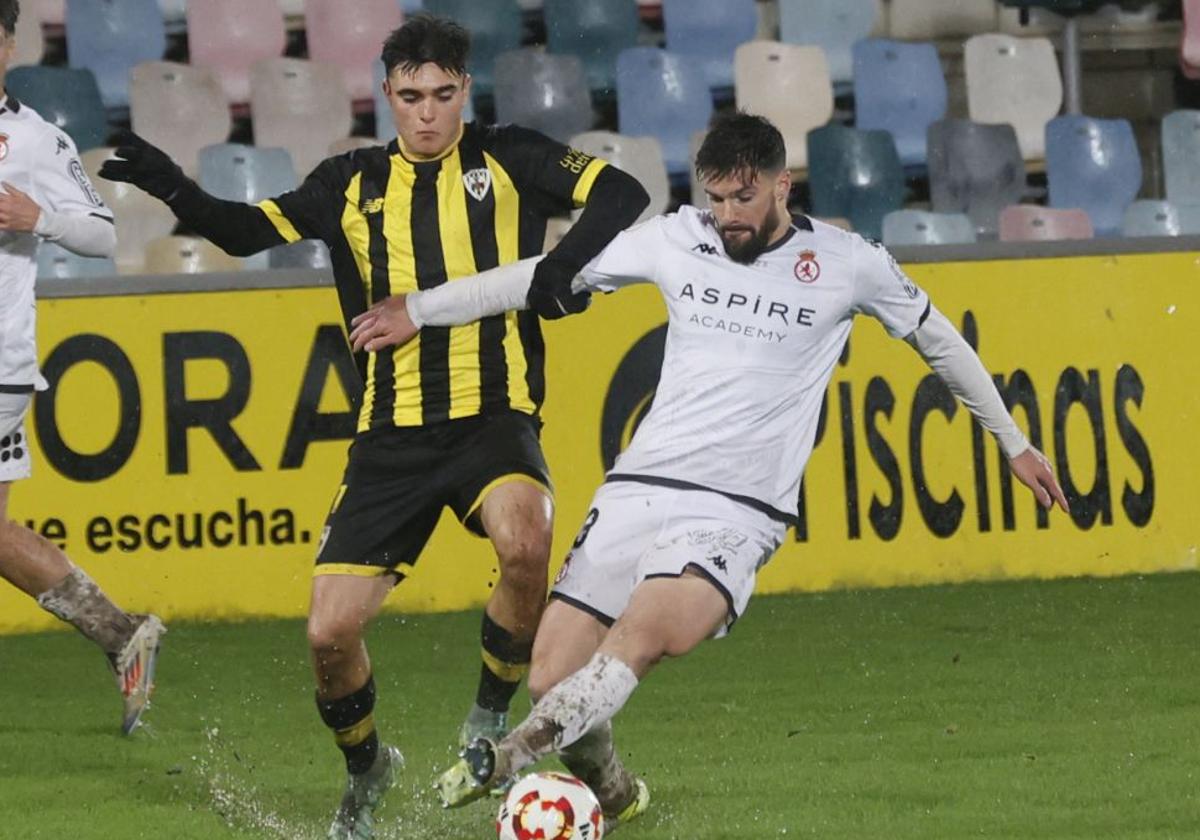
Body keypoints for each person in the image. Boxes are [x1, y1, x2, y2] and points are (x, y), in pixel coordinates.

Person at [346, 112, 1071, 828]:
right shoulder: (676, 239)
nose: (727, 217)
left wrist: (1012, 442)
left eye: (743, 199)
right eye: (715, 199)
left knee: (648, 634)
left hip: (737, 507)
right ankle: (618, 791)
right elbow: (542, 275)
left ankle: (509, 754)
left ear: (782, 186)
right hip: (639, 488)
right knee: (551, 676)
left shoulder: (851, 263)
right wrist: (420, 307)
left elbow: (939, 341)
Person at [100, 13, 648, 838]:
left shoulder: (510, 156)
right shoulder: (349, 182)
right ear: (385, 95)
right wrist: (172, 184)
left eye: (442, 95)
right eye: (409, 96)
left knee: (527, 542)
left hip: (494, 418)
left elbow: (622, 193)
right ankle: (367, 768)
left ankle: (487, 716)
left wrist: (558, 271)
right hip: (390, 439)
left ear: (465, 91)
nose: (427, 114)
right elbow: (246, 231)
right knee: (328, 635)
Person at [0, 0, 165, 736]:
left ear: (9, 46)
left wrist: (40, 219)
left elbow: (102, 233)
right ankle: (122, 633)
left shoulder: (34, 140)